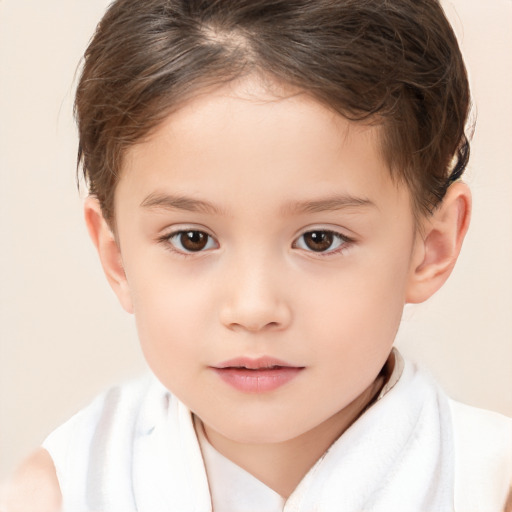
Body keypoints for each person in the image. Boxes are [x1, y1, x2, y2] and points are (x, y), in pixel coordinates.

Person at [1, 0, 511, 510]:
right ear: (116, 257)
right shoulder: (61, 491)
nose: (253, 308)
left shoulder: (489, 484)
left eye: (319, 239)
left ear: (432, 247)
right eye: (191, 239)